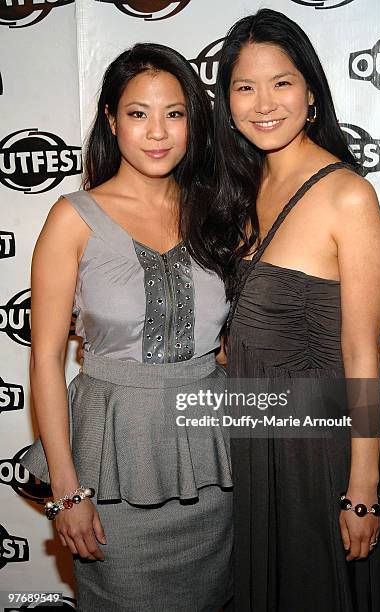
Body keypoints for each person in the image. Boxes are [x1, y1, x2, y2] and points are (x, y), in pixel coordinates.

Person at [20, 43, 233, 612]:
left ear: (194, 122)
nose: (157, 132)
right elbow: (44, 360)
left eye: (175, 113)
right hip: (112, 469)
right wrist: (66, 493)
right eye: (138, 113)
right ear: (112, 121)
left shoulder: (218, 212)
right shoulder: (73, 217)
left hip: (213, 469)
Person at [211, 9, 380, 612]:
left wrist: (362, 490)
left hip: (314, 455)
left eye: (281, 82)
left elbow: (362, 355)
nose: (263, 102)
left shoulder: (348, 195)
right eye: (245, 86)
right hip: (251, 443)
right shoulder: (241, 191)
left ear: (311, 93)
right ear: (228, 102)